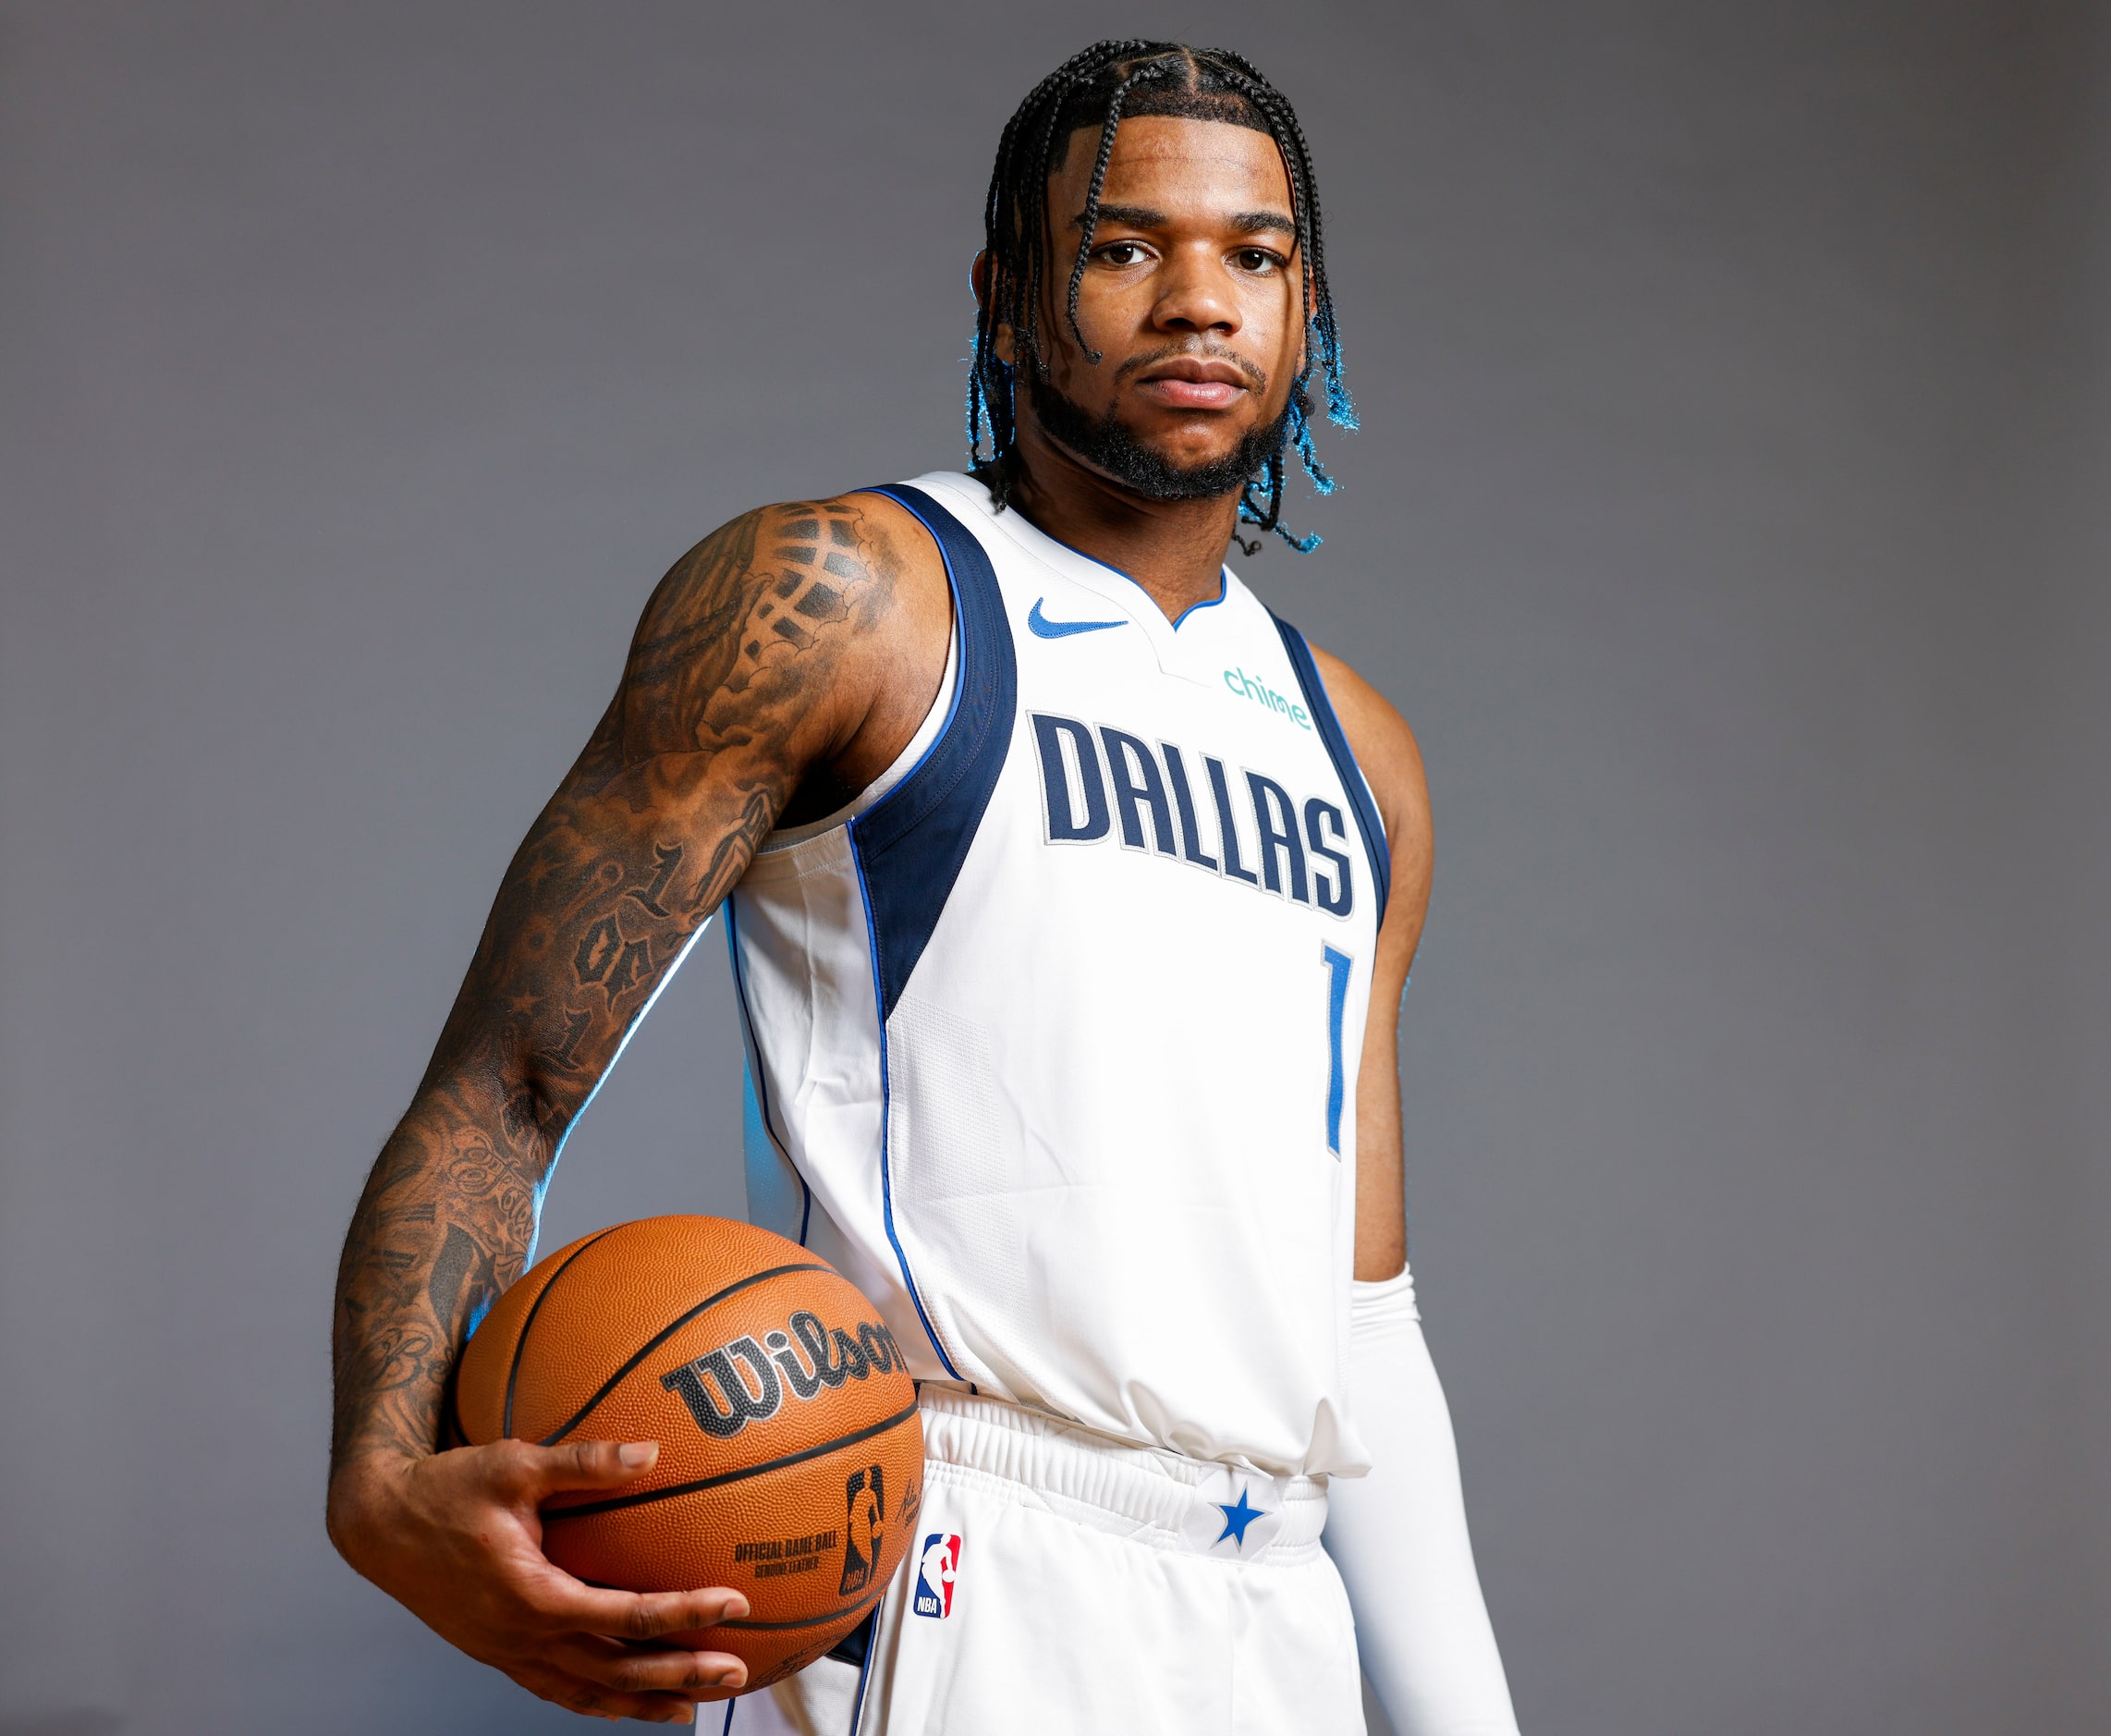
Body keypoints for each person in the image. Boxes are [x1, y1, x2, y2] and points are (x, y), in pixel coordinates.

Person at [327, 39, 1521, 1736]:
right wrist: (379, 1484)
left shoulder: (1361, 754)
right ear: (1008, 289)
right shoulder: (848, 603)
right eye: (1124, 247)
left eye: (1253, 256)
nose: (1199, 301)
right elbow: (502, 1093)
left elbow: (1363, 1314)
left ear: (1306, 305)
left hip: (1277, 1616)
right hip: (951, 1560)